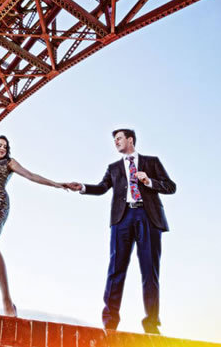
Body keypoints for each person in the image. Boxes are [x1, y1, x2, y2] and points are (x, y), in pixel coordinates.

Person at [64, 129, 176, 334]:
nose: (115, 142)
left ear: (130, 140)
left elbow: (171, 187)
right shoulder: (113, 168)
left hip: (148, 218)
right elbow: (101, 187)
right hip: (122, 220)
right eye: (114, 140)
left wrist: (148, 181)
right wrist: (81, 187)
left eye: (119, 138)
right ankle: (110, 322)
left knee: (150, 272)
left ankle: (152, 325)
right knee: (116, 269)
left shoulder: (152, 162)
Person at [0, 135, 64, 317]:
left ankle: (7, 300)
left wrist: (57, 184)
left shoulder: (9, 163)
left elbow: (30, 175)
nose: (3, 148)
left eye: (5, 146)